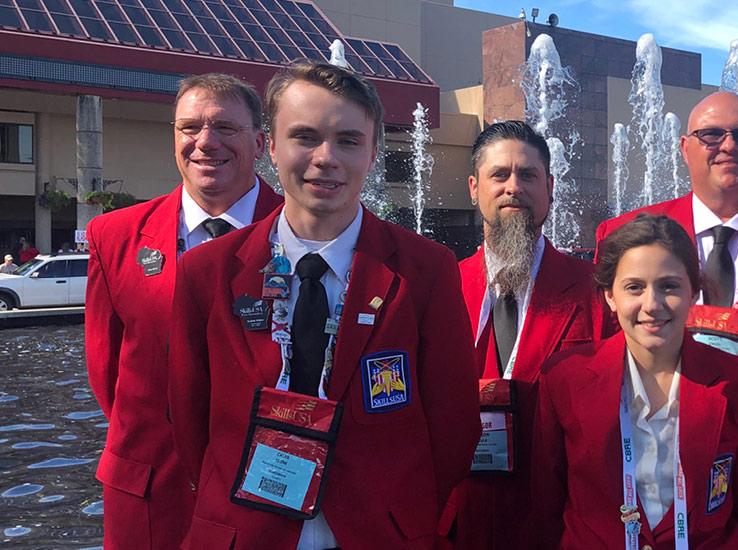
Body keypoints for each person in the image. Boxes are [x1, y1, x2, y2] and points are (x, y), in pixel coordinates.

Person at [167, 60, 480, 549]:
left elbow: (454, 424)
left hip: (382, 534)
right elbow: (189, 420)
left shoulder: (425, 271)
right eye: (306, 136)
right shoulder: (207, 272)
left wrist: (398, 510)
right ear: (270, 145)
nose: (326, 158)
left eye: (349, 141)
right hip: (244, 534)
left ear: (373, 152)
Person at [84, 73, 283, 550]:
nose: (205, 143)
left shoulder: (303, 232)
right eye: (190, 127)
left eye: (225, 129)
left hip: (265, 486)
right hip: (150, 489)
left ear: (259, 142)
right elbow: (106, 368)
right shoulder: (113, 236)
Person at [533, 214, 738, 548]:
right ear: (610, 296)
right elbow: (546, 502)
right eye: (634, 287)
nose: (652, 304)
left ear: (694, 291)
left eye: (669, 286)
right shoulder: (564, 379)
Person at [446, 120, 608, 548]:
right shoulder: (440, 286)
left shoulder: (594, 291)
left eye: (528, 175)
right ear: (473, 187)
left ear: (550, 188)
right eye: (499, 175)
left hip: (554, 519)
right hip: (460, 519)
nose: (513, 187)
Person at [595, 91, 738, 355]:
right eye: (711, 135)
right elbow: (608, 346)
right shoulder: (621, 236)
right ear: (684, 148)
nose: (729, 146)